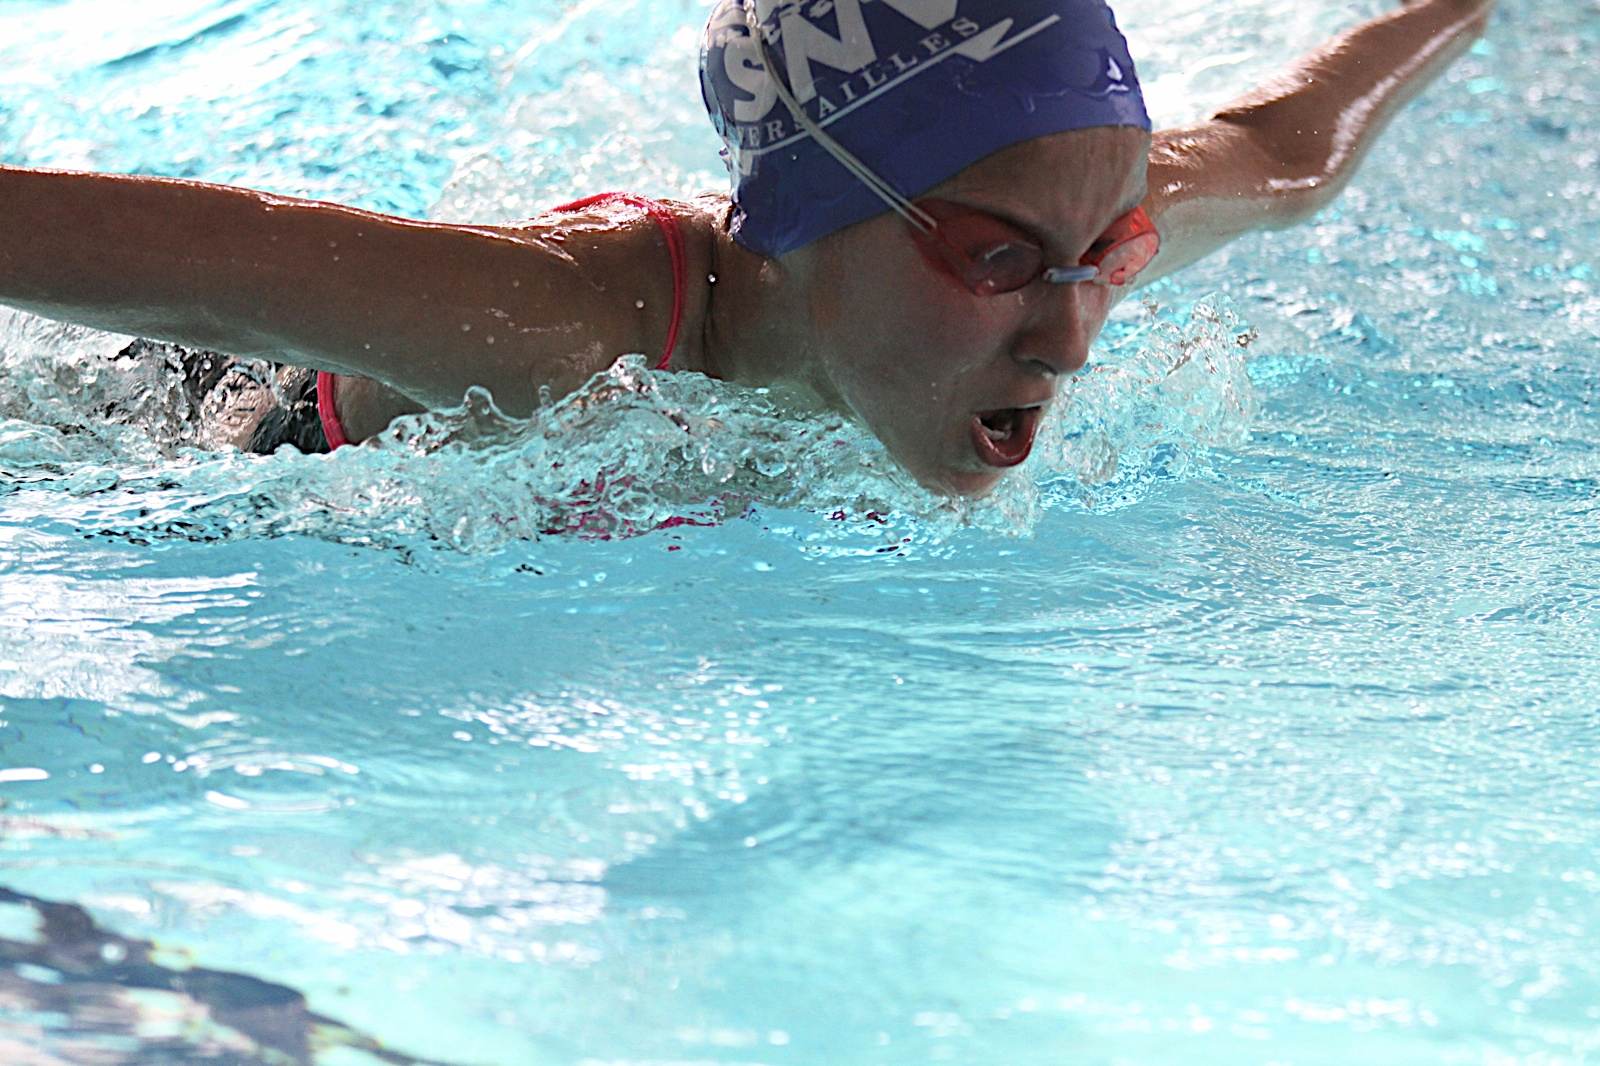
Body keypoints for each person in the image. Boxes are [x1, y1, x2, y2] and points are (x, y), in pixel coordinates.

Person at [0, 0, 1494, 498]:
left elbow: (1289, 149)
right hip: (181, 438)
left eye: (1112, 251)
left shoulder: (1052, 223)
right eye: (997, 263)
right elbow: (157, 254)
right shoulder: (553, 333)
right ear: (797, 217)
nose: (1072, 337)